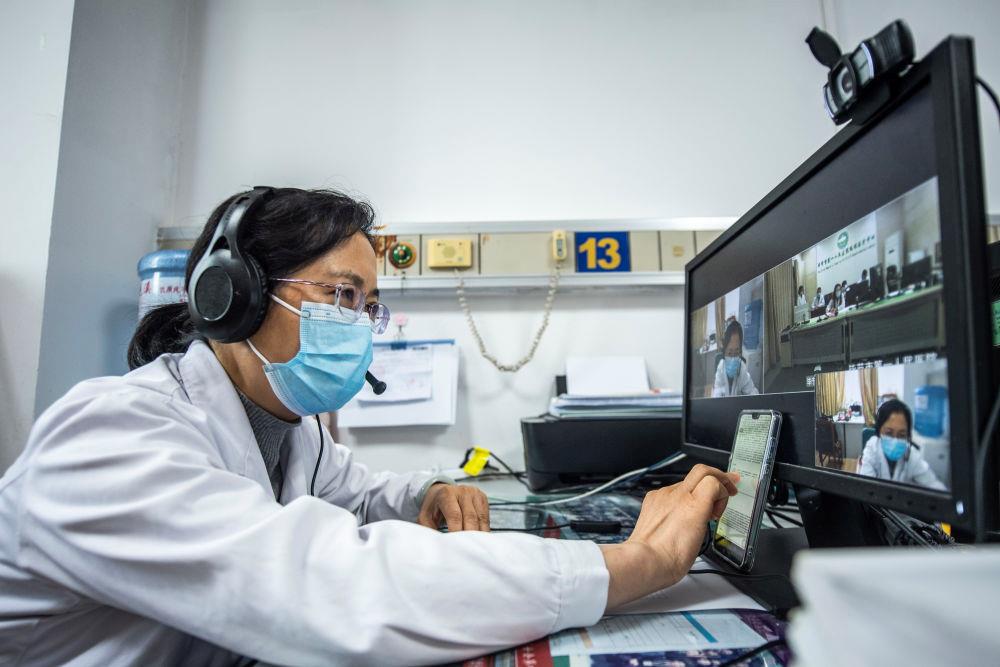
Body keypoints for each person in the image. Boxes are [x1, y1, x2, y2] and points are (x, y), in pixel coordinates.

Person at [0, 187, 738, 666]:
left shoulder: (295, 432)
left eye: (369, 306)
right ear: (236, 296)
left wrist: (427, 493)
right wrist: (635, 563)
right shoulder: (110, 435)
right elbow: (332, 584)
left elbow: (358, 494)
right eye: (343, 295)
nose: (360, 324)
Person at [858, 399, 946, 490]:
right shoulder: (872, 447)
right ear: (878, 431)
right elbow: (865, 487)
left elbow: (935, 486)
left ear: (908, 435)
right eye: (889, 433)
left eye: (902, 435)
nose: (895, 440)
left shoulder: (911, 455)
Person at [712, 319, 759, 397]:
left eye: (737, 353)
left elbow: (752, 391)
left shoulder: (742, 368)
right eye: (729, 353)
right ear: (724, 353)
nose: (733, 359)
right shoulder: (720, 368)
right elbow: (716, 394)